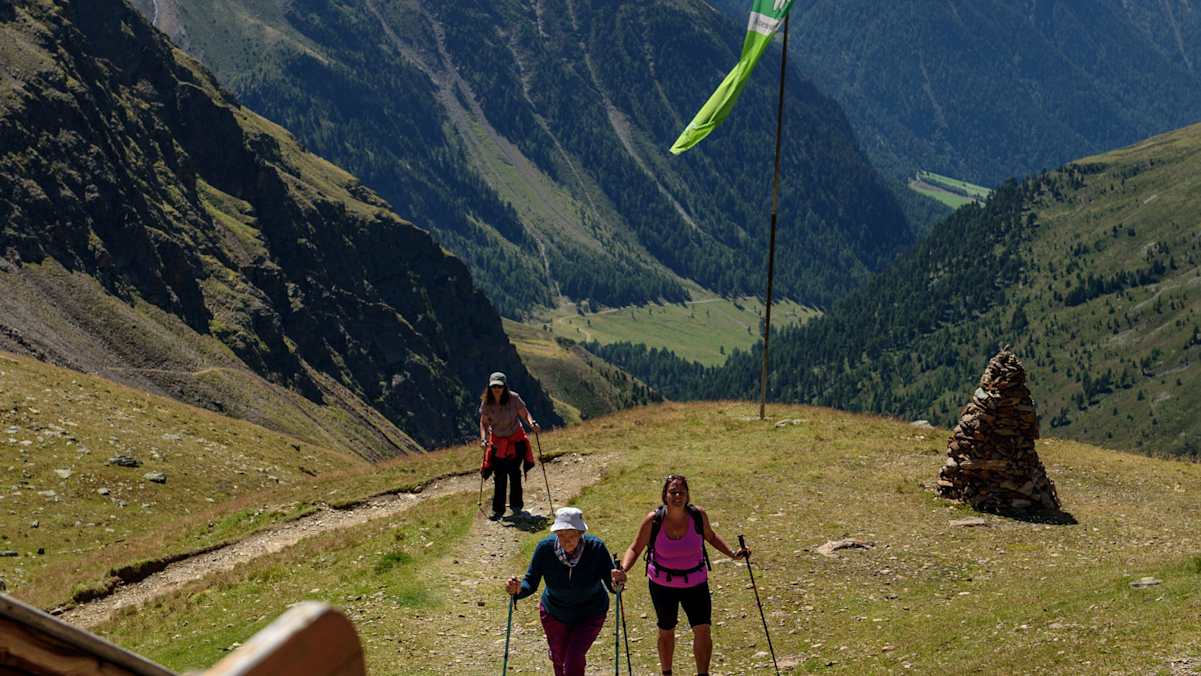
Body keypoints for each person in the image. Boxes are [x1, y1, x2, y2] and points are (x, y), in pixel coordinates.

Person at [618, 474, 748, 676]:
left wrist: (733, 554)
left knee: (703, 630)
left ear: (687, 495)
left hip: (696, 583)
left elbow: (711, 537)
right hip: (662, 585)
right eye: (673, 492)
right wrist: (623, 570)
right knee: (666, 630)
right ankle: (667, 672)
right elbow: (635, 548)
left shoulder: (698, 516)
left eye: (681, 492)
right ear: (665, 495)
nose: (677, 496)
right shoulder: (654, 520)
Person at [506, 507, 627, 676]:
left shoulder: (596, 548)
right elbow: (530, 583)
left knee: (573, 659)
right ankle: (557, 653)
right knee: (559, 659)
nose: (566, 541)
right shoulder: (545, 549)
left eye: (571, 535)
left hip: (590, 613)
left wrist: (618, 581)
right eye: (561, 535)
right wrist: (518, 589)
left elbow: (613, 587)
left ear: (580, 533)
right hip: (554, 612)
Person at [479, 371, 538, 520]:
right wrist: (483, 439)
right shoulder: (487, 402)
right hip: (498, 443)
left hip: (515, 440)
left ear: (504, 386)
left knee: (514, 474)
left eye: (499, 386)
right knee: (499, 476)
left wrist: (532, 423)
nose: (496, 389)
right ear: (490, 387)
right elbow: (484, 422)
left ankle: (516, 506)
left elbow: (524, 413)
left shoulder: (514, 398)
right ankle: (498, 510)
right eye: (494, 386)